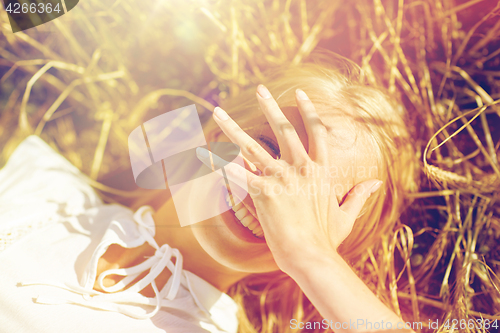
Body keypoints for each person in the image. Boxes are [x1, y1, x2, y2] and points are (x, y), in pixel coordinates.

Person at [0, 56, 417, 333]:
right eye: (268, 147)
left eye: (316, 198)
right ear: (216, 133)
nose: (272, 188)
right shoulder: (43, 185)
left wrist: (312, 258)